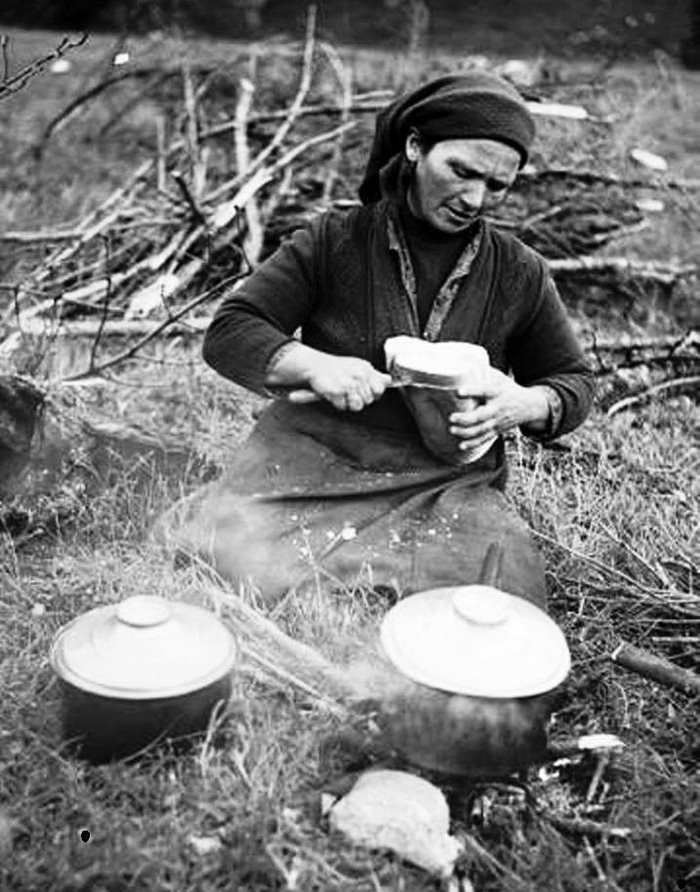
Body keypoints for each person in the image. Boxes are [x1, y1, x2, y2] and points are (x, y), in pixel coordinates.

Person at [164, 72, 594, 606]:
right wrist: (311, 364)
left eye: (497, 186)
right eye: (462, 171)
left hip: (445, 481)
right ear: (415, 146)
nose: (474, 198)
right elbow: (231, 329)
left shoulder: (518, 271)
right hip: (314, 459)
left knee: (499, 590)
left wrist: (525, 401)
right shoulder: (336, 240)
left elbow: (573, 382)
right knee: (235, 551)